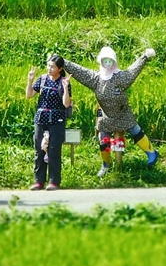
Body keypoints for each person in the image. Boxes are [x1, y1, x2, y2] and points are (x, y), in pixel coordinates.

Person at [64, 46, 158, 177]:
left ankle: (152, 153)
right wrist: (63, 62)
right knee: (104, 141)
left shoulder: (120, 77)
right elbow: (80, 71)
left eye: (110, 61)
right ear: (100, 62)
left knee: (136, 131)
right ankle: (106, 165)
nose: (108, 64)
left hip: (122, 113)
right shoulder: (96, 79)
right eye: (105, 61)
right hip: (106, 116)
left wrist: (145, 57)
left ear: (114, 61)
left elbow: (133, 70)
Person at [26, 55, 72, 190]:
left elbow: (66, 103)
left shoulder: (64, 82)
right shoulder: (42, 79)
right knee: (39, 150)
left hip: (57, 119)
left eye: (52, 66)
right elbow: (29, 95)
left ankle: (54, 181)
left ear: (60, 69)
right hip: (41, 118)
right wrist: (30, 80)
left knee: (53, 150)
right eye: (48, 65)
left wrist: (65, 88)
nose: (49, 68)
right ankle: (39, 181)